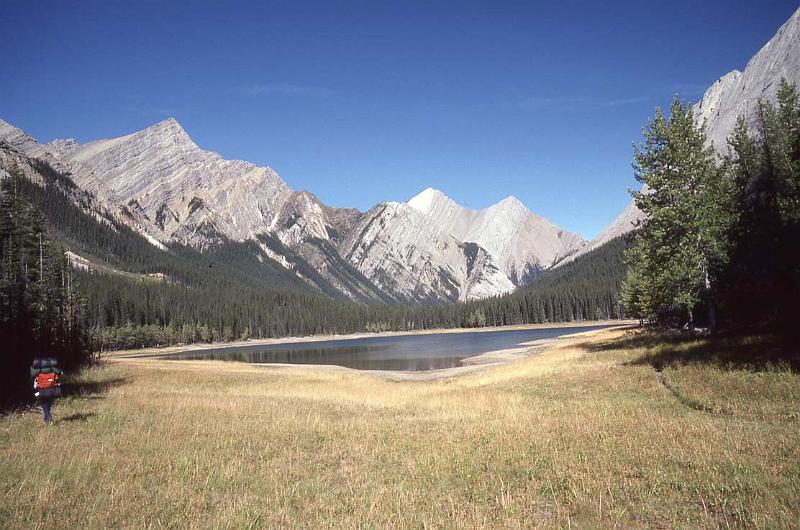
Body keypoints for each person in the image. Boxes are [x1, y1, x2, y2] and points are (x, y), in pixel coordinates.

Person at [31, 358, 63, 425]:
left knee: (44, 403)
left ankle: (49, 418)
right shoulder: (53, 372)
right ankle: (46, 420)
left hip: (41, 391)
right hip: (52, 390)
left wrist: (36, 392)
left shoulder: (37, 373)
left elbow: (35, 384)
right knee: (48, 404)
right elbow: (58, 380)